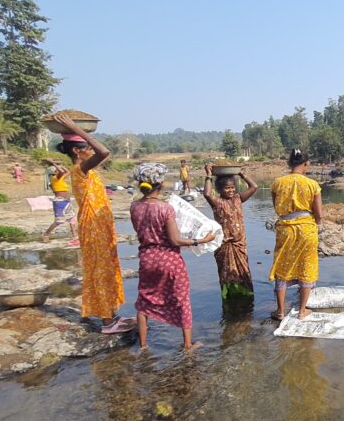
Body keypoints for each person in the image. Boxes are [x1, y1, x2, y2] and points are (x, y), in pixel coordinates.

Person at [52, 112, 132, 334]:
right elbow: (104, 152)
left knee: (107, 269)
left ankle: (111, 314)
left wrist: (80, 134)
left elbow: (104, 154)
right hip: (93, 226)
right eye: (86, 147)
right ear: (77, 151)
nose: (91, 150)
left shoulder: (87, 170)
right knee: (99, 270)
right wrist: (80, 131)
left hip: (100, 225)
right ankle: (107, 322)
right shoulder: (81, 170)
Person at [130, 163, 218, 351]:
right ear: (160, 185)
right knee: (181, 299)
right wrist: (200, 240)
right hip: (168, 259)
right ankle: (187, 345)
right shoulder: (165, 208)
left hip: (147, 257)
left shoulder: (134, 207)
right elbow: (175, 240)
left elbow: (140, 231)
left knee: (144, 301)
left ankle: (143, 345)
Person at [269, 149, 322, 320]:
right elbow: (318, 213)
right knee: (307, 265)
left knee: (282, 266)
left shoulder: (277, 183)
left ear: (289, 163)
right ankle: (301, 311)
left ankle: (280, 312)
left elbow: (276, 206)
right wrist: (317, 222)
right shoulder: (312, 184)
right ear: (306, 164)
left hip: (285, 229)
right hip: (306, 228)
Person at [202, 164, 257, 299]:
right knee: (226, 272)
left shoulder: (238, 199)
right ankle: (229, 297)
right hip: (224, 244)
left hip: (239, 243)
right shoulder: (217, 202)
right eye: (227, 188)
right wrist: (208, 175)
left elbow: (254, 187)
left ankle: (246, 297)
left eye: (233, 187)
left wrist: (242, 174)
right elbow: (207, 194)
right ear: (220, 189)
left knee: (243, 270)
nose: (231, 190)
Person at [42, 159, 78, 245]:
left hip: (67, 201)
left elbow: (68, 171)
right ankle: (46, 234)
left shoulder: (60, 179)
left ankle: (74, 236)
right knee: (59, 221)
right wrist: (54, 163)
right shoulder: (54, 179)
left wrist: (60, 165)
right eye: (56, 170)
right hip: (60, 202)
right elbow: (62, 172)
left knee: (72, 218)